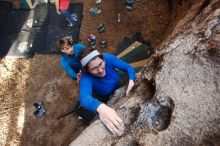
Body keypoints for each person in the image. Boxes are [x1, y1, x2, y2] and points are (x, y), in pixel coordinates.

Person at [78, 48, 136, 136]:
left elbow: (128, 67)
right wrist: (102, 108)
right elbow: (84, 98)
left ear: (103, 59)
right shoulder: (86, 77)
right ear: (87, 71)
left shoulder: (108, 58)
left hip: (120, 85)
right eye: (94, 69)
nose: (100, 70)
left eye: (101, 64)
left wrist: (131, 79)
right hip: (107, 97)